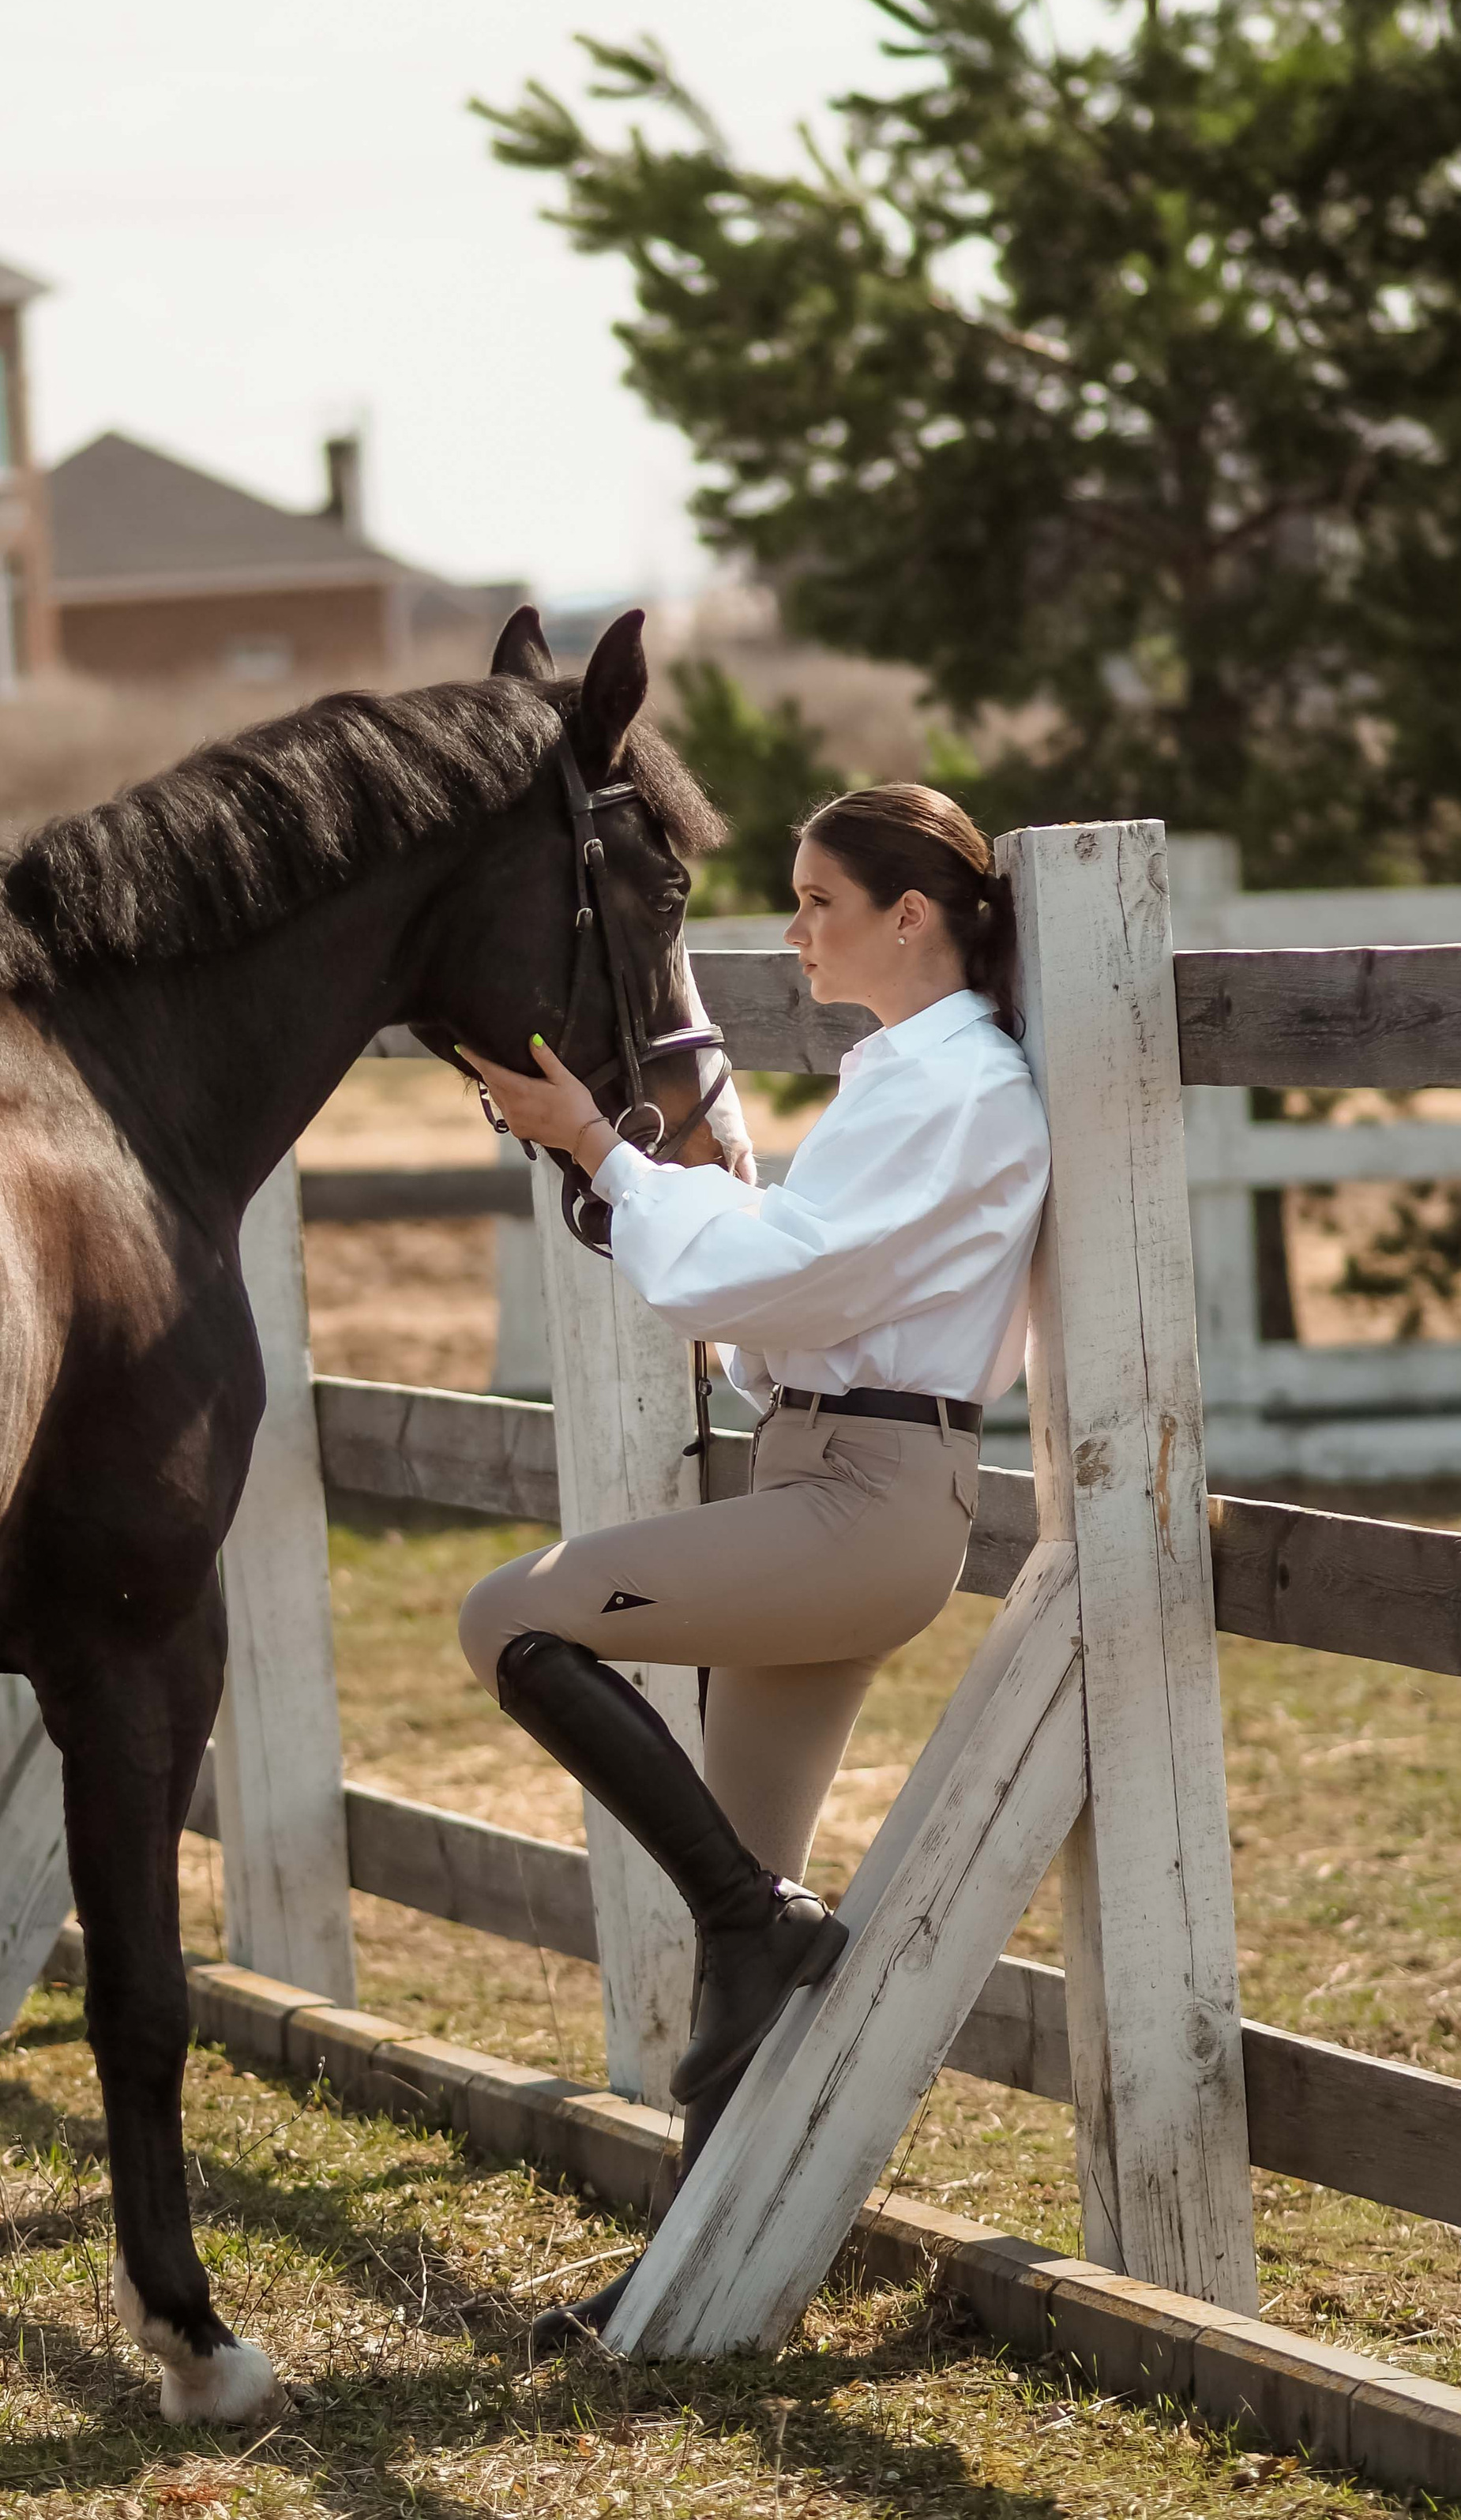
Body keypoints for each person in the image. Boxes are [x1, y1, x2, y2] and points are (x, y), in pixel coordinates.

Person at [456, 783, 1050, 2352]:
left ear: (905, 916)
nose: (792, 934)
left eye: (814, 901)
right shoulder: (901, 1080)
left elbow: (773, 1270)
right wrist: (628, 1182)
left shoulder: (959, 1088)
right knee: (740, 1950)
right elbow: (775, 1314)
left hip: (861, 1505)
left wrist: (598, 1141)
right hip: (818, 1470)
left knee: (511, 1613)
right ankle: (691, 2282)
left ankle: (750, 1913)